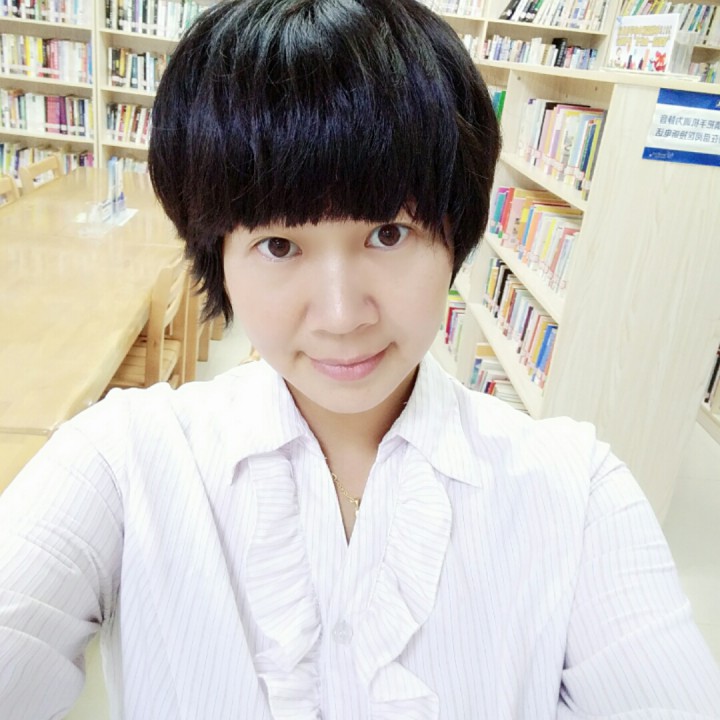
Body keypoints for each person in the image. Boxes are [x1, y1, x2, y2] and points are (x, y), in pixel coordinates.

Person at [1, 0, 719, 718]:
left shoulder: (576, 494)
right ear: (217, 254)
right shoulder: (122, 461)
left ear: (455, 233)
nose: (343, 316)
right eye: (279, 245)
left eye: (389, 234)